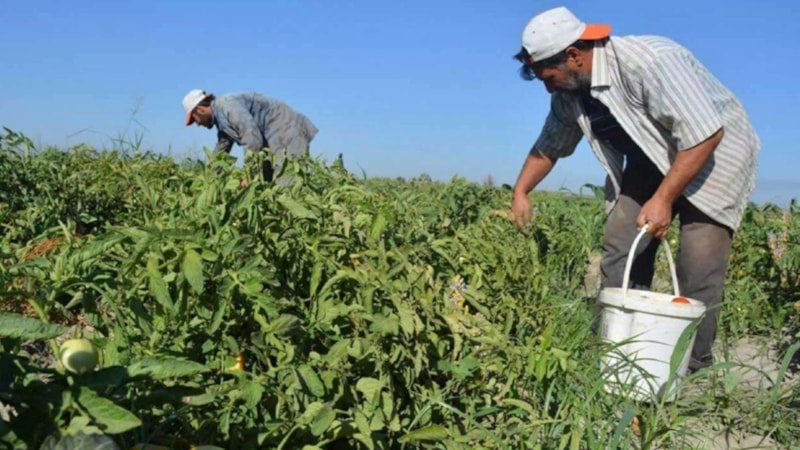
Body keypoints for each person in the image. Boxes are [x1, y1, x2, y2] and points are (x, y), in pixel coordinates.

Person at [510, 6, 760, 372]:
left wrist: (663, 199)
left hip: (712, 156)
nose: (547, 86)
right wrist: (521, 191)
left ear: (574, 56)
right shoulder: (569, 94)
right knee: (621, 242)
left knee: (698, 262)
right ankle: (616, 349)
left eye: (547, 77)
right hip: (651, 157)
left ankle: (692, 369)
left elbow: (706, 133)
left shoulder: (650, 61)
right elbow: (550, 144)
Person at [182, 89, 318, 184]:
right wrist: (209, 179)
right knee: (264, 183)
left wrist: (249, 174)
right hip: (271, 138)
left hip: (286, 131)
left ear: (200, 109)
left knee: (286, 184)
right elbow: (221, 151)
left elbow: (251, 137)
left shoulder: (227, 106)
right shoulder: (221, 119)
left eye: (195, 119)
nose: (198, 124)